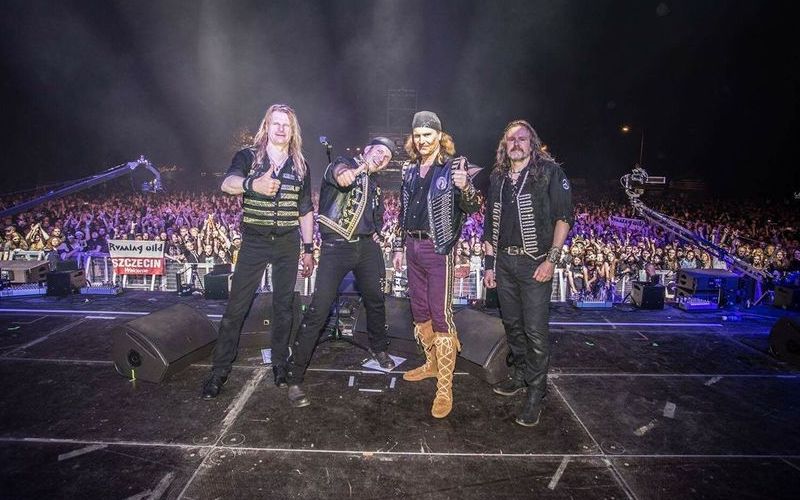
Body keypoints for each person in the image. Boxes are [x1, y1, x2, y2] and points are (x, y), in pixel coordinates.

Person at [201, 103, 315, 400]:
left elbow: (305, 210)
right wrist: (253, 184)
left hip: (288, 242)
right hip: (254, 241)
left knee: (283, 307)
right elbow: (227, 184)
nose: (281, 129)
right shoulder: (248, 157)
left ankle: (280, 363)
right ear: (266, 126)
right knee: (236, 307)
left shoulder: (301, 165)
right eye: (276, 123)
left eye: (286, 125)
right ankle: (219, 370)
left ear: (293, 131)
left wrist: (308, 249)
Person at [284, 137, 397, 407]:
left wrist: (381, 236)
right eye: (379, 151)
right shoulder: (343, 162)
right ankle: (294, 375)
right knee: (319, 309)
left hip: (366, 247)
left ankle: (379, 348)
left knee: (375, 301)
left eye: (387, 157)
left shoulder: (375, 185)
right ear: (367, 150)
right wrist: (351, 171)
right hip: (337, 247)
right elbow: (340, 174)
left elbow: (377, 218)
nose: (382, 157)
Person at [482, 119, 573, 427]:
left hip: (535, 263)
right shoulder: (498, 176)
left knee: (535, 331)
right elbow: (489, 225)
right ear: (504, 145)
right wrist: (489, 265)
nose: (516, 143)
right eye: (511, 139)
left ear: (532, 143)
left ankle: (536, 392)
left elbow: (563, 218)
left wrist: (551, 260)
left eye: (522, 138)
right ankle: (521, 375)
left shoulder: (550, 172)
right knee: (512, 325)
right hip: (504, 263)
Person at [392, 111, 480, 418]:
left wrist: (466, 187)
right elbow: (403, 211)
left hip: (438, 248)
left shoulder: (454, 166)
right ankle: (431, 365)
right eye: (417, 135)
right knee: (420, 311)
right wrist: (398, 246)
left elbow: (472, 207)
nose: (422, 140)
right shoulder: (408, 170)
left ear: (439, 136)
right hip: (412, 246)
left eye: (427, 135)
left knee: (441, 316)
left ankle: (445, 388)